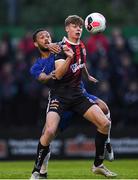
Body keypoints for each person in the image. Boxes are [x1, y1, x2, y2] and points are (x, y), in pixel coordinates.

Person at [30, 16, 117, 179]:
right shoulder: (43, 61)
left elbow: (79, 61)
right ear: (35, 44)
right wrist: (52, 74)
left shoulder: (64, 46)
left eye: (48, 35)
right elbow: (42, 77)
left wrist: (87, 75)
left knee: (104, 114)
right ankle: (40, 171)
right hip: (60, 97)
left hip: (78, 93)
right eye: (42, 37)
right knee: (48, 133)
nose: (47, 38)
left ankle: (103, 152)